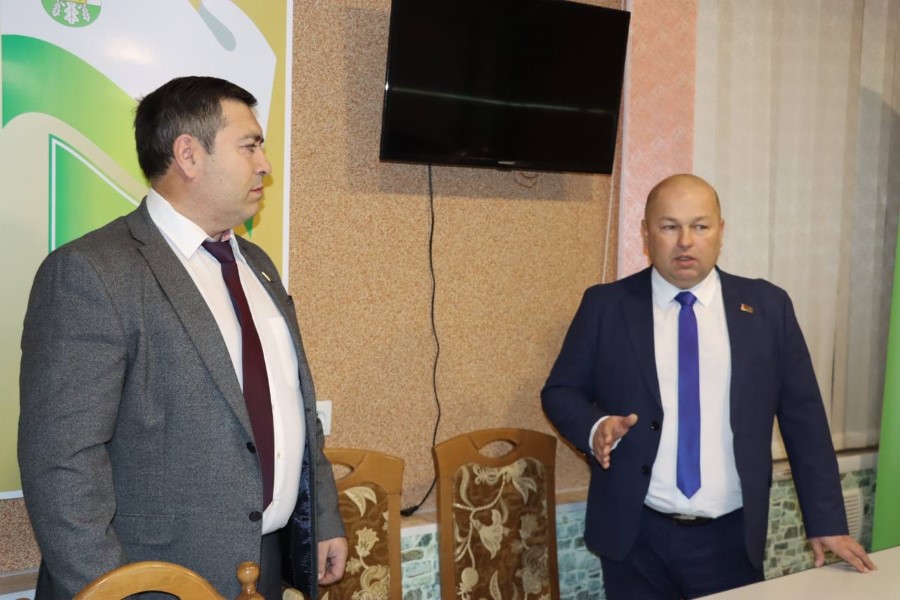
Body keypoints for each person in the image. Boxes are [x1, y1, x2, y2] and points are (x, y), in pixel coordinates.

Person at [18, 76, 347, 599]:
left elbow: (294, 406)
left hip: (260, 564)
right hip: (148, 578)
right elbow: (61, 461)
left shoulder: (257, 265)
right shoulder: (93, 271)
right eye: (250, 146)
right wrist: (114, 590)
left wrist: (321, 516)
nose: (265, 164)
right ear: (189, 155)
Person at [541, 173, 875, 599]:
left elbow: (804, 418)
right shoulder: (605, 306)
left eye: (700, 226)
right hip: (635, 538)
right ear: (646, 233)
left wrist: (827, 521)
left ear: (721, 231)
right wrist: (595, 427)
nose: (685, 241)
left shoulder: (768, 308)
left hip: (731, 542)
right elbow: (560, 391)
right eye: (669, 226)